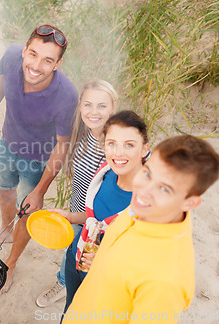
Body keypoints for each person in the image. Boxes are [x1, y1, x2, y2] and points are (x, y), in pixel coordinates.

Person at [63, 135, 219, 323]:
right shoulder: (145, 208)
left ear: (190, 202)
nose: (144, 190)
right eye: (147, 173)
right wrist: (103, 260)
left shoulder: (164, 281)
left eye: (164, 189)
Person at [0, 25, 78, 293]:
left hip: (37, 161)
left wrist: (40, 190)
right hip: (8, 142)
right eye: (33, 54)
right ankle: (4, 229)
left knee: (27, 210)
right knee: (2, 188)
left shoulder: (67, 96)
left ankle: (10, 264)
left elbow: (62, 146)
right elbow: (0, 79)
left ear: (58, 64)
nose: (36, 65)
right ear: (24, 50)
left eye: (48, 60)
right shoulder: (12, 56)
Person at [51, 110, 149, 313]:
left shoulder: (150, 203)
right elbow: (97, 217)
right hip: (77, 256)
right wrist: (70, 217)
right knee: (70, 310)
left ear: (144, 149)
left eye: (129, 145)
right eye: (111, 143)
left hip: (106, 279)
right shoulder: (107, 173)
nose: (118, 153)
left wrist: (106, 260)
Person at [36, 79, 118, 307]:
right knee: (73, 251)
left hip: (97, 219)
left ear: (113, 107)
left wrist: (82, 218)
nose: (93, 112)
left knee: (87, 261)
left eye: (102, 106)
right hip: (77, 207)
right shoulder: (82, 132)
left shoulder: (113, 144)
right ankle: (64, 283)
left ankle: (75, 291)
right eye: (88, 105)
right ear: (80, 106)